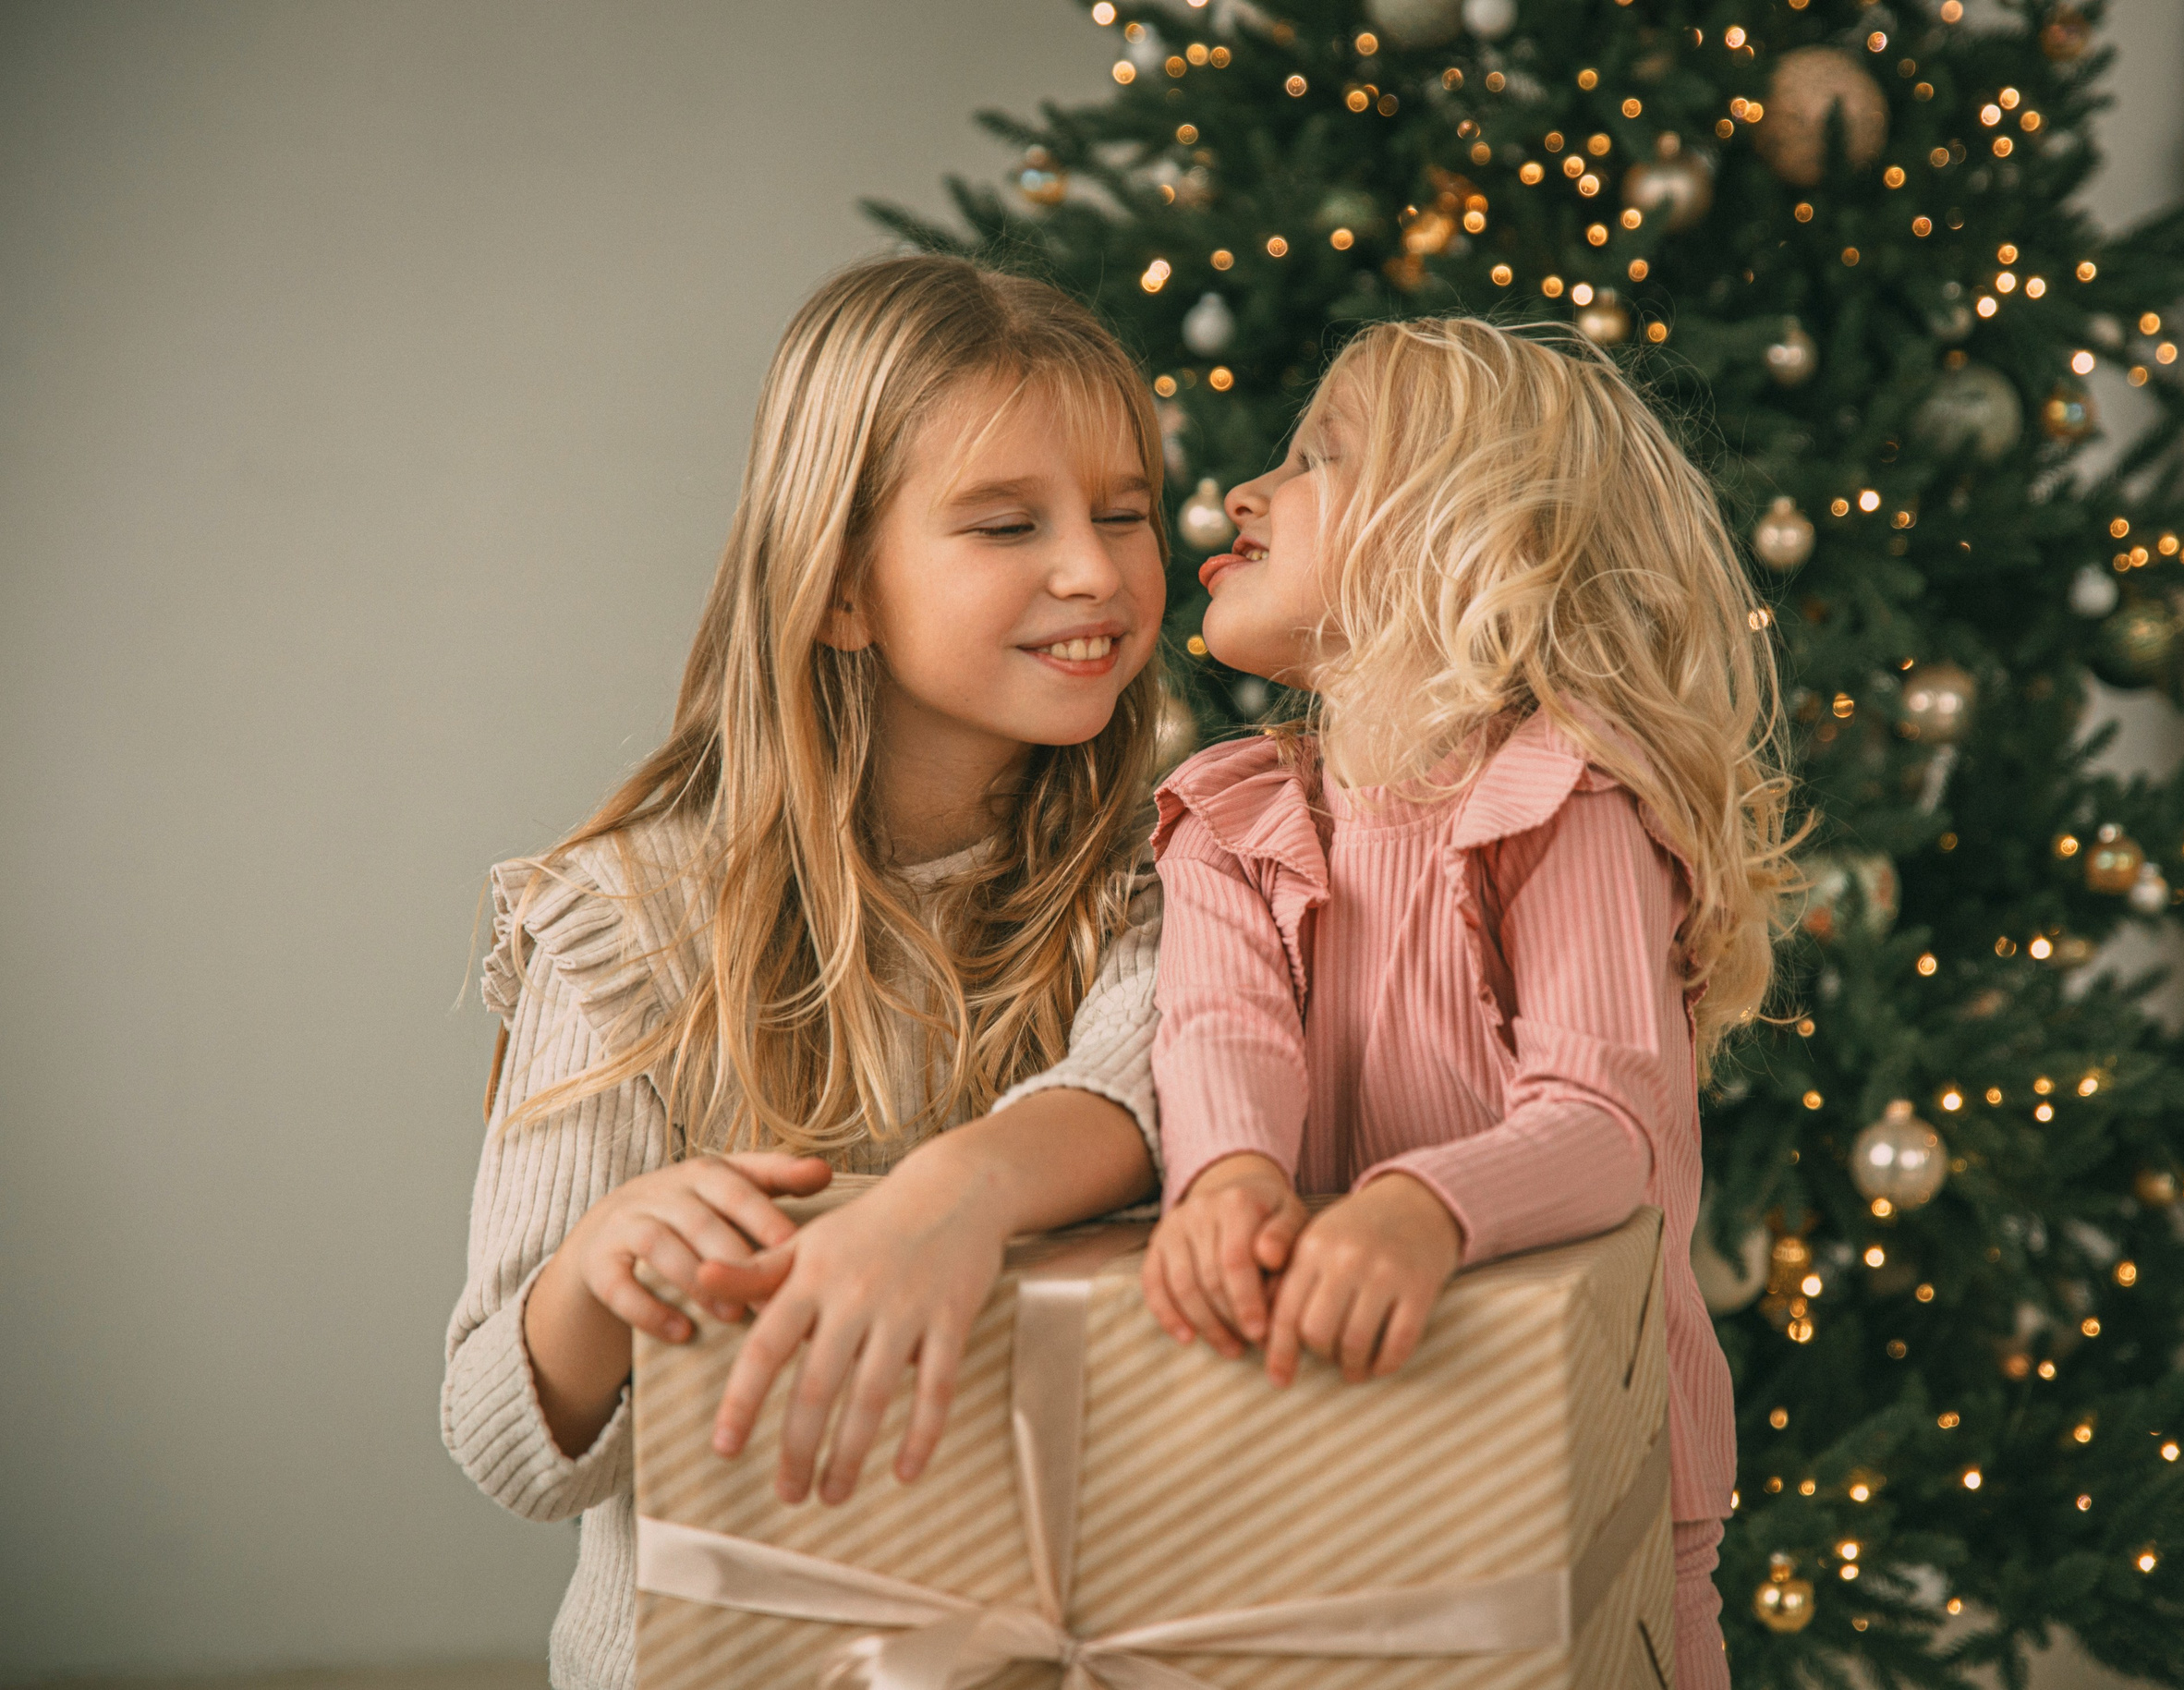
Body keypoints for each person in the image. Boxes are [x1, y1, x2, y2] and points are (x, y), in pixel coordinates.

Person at [443, 254, 1170, 1690]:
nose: (1094, 567)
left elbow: (1135, 1076)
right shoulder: (627, 924)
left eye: (1128, 510)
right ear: (842, 591)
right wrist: (600, 1271)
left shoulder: (1171, 871)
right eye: (1007, 522)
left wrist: (947, 1200)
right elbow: (501, 1442)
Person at [1139, 316, 1797, 1688]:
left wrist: (1417, 1206)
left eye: (1319, 459)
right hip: (1325, 1418)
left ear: (1469, 535)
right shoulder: (1230, 810)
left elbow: (1607, 1117)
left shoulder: (1561, 794)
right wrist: (1229, 1179)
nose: (1242, 492)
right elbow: (1223, 1033)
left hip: (1593, 1453)